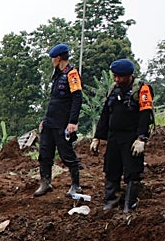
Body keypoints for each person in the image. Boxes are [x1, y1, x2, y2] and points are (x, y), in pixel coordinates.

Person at [91, 59, 154, 212]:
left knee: (132, 170)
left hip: (131, 137)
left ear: (129, 75)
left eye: (120, 77)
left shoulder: (142, 89)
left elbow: (145, 115)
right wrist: (97, 137)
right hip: (114, 136)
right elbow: (105, 114)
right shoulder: (113, 89)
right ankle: (111, 201)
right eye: (115, 76)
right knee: (111, 168)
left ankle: (130, 204)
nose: (117, 79)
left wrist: (141, 138)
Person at [34, 44, 84, 198]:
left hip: (62, 122)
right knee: (44, 153)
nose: (52, 61)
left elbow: (77, 98)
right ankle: (45, 183)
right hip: (50, 121)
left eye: (53, 58)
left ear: (59, 58)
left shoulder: (72, 74)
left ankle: (76, 185)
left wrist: (72, 122)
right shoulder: (56, 75)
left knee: (66, 154)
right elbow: (53, 101)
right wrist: (45, 119)